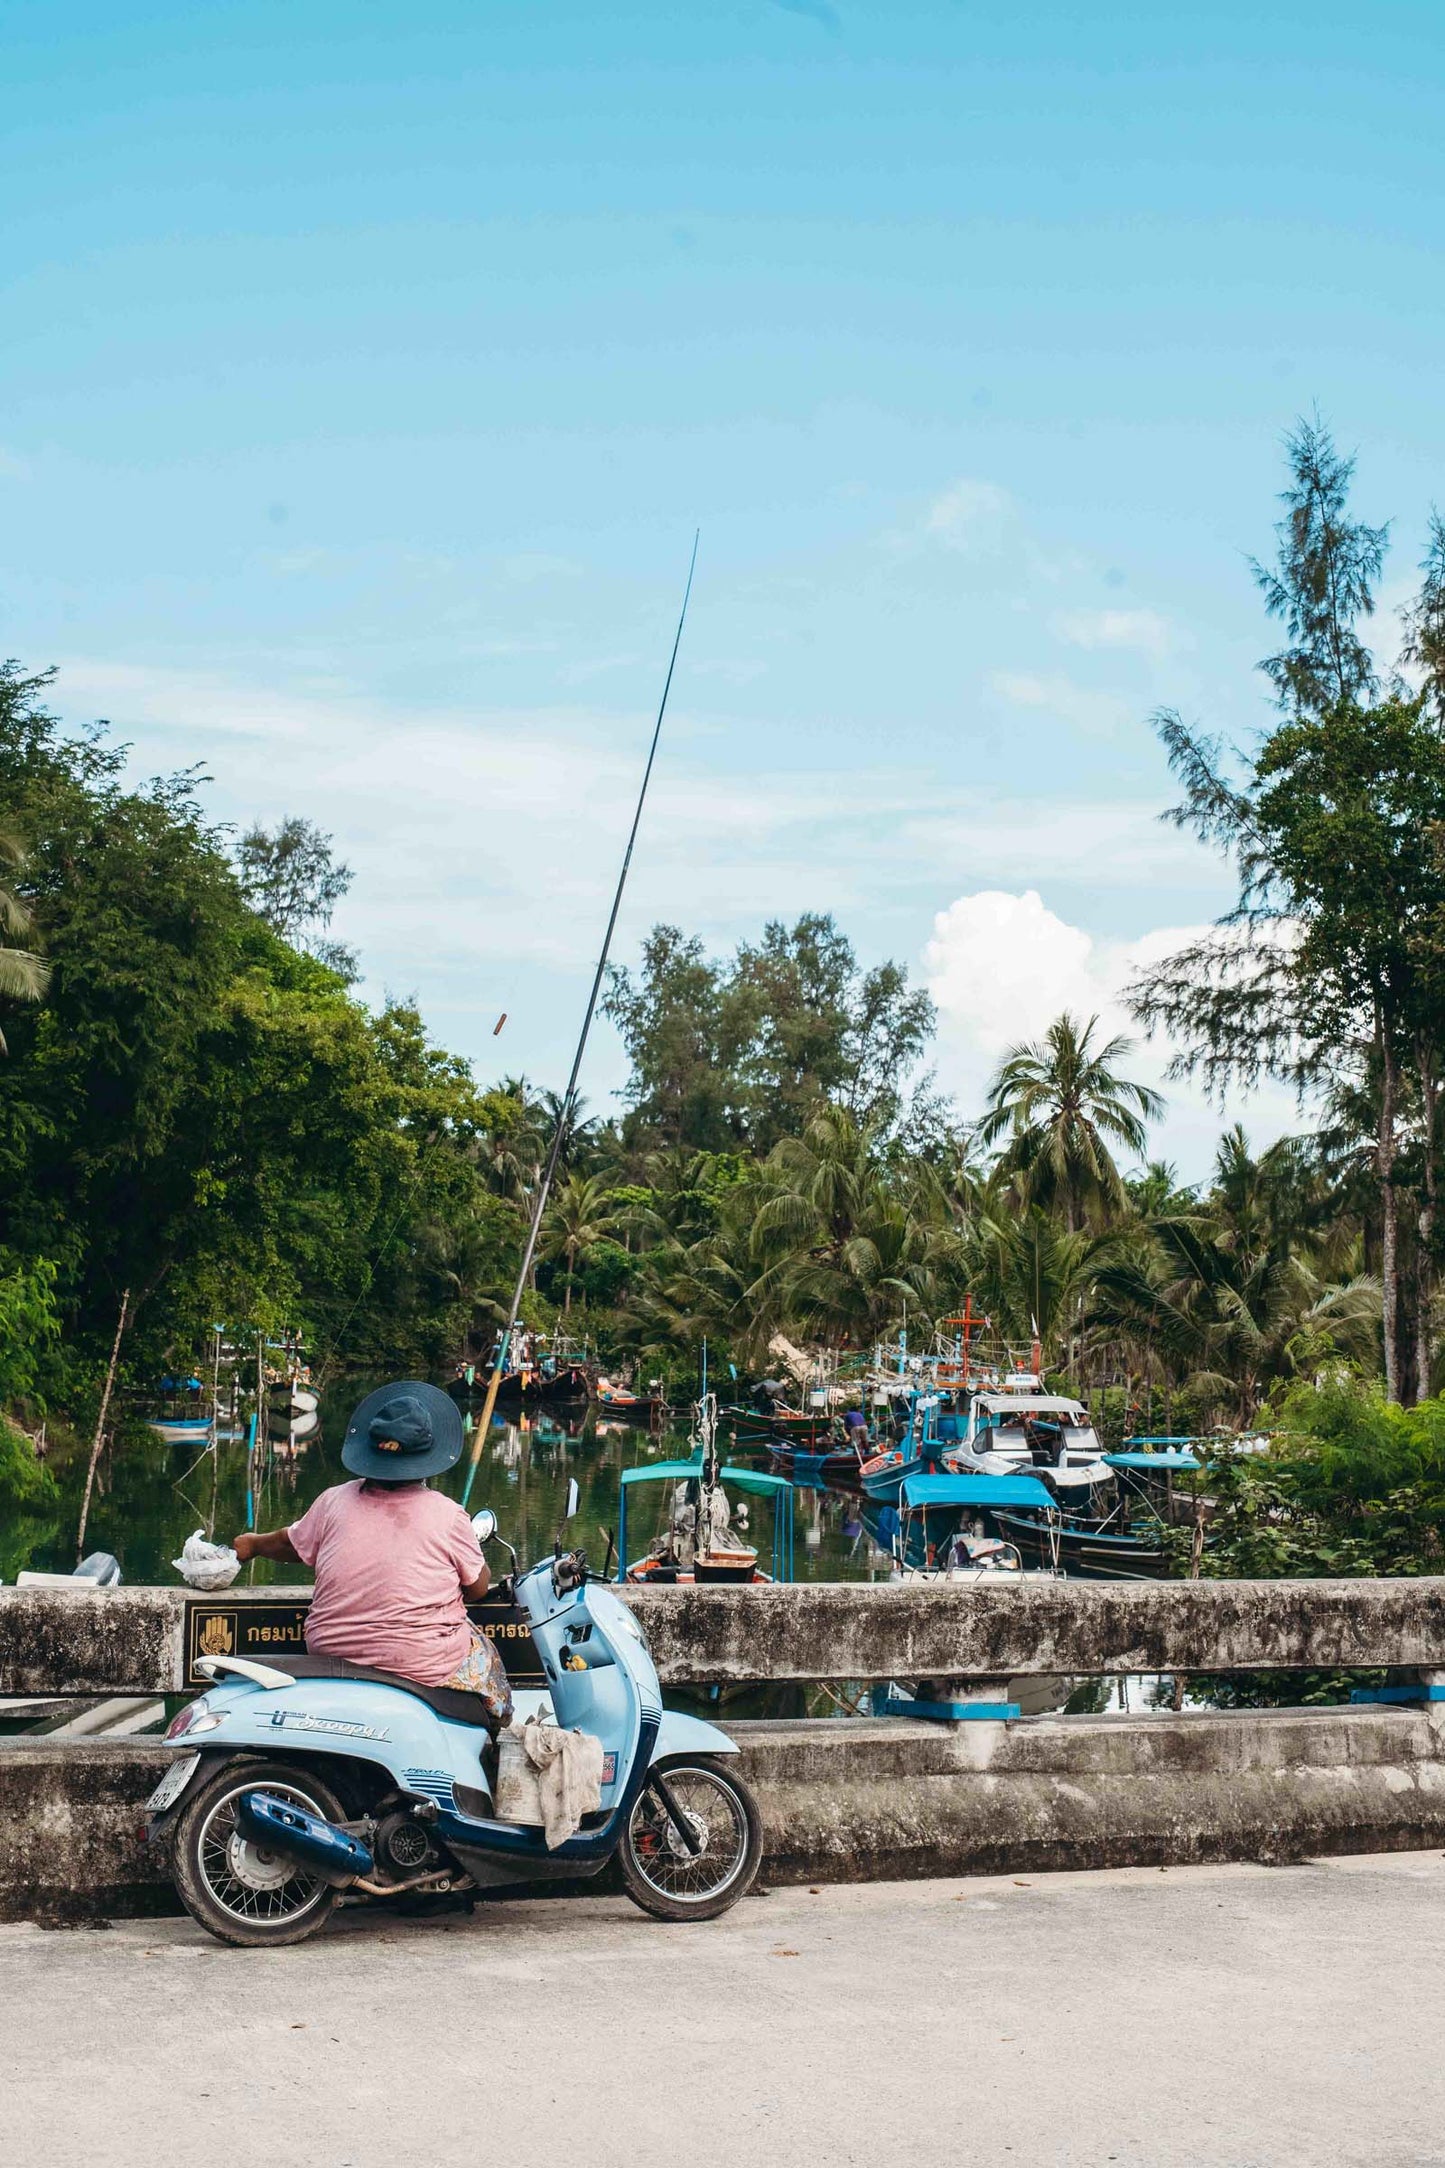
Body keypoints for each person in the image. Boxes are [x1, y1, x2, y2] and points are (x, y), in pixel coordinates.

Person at [233, 1380, 511, 1724]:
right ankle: (491, 1745)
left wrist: (252, 1544)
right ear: (426, 1457)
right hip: (419, 1664)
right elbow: (478, 1588)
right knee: (487, 1666)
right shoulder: (449, 1514)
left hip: (333, 1654)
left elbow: (291, 1544)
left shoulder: (333, 1501)